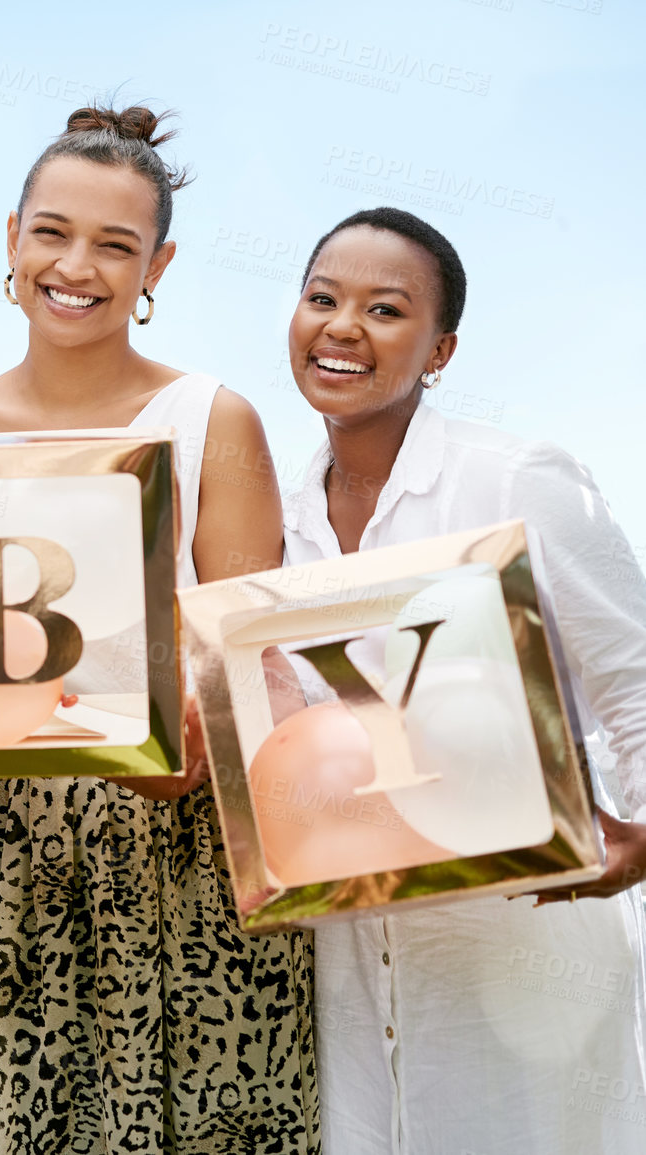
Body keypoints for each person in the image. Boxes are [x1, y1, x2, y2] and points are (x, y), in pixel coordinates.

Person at [0, 106, 319, 1153]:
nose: (75, 265)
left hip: (189, 860)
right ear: (11, 238)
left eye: (115, 244)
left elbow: (249, 668)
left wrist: (189, 751)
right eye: (51, 232)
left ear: (158, 265)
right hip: (11, 871)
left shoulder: (213, 422)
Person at [281, 206, 646, 1153]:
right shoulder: (276, 519)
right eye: (322, 297)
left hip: (523, 951)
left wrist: (640, 834)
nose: (342, 325)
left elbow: (634, 674)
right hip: (349, 968)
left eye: (385, 309)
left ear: (438, 350)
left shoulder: (516, 478)